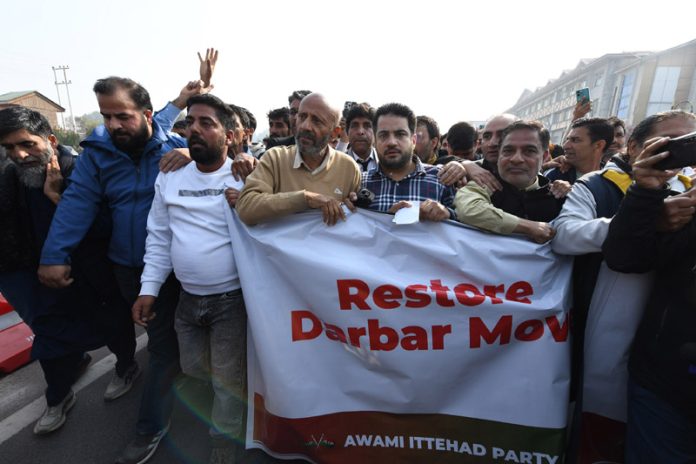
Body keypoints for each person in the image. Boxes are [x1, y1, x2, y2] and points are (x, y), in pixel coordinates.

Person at [37, 74, 209, 464]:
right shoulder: (97, 154)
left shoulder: (177, 148)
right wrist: (54, 254)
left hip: (176, 270)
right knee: (159, 337)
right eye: (106, 116)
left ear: (146, 115)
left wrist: (197, 156)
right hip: (127, 268)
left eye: (123, 117)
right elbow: (77, 202)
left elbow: (224, 169)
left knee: (165, 346)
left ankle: (150, 426)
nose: (113, 125)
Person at [551, 109, 696, 463]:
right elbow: (564, 235)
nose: (678, 152)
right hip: (610, 332)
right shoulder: (598, 185)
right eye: (668, 142)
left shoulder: (687, 192)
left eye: (688, 143)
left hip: (671, 348)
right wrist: (643, 219)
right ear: (633, 147)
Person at [0, 106, 135, 434]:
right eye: (9, 148)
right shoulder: (11, 178)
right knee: (49, 338)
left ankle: (126, 367)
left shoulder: (82, 169)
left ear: (49, 139)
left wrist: (60, 198)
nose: (19, 154)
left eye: (27, 144)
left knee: (114, 327)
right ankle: (58, 397)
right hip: (44, 280)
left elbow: (107, 226)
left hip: (92, 275)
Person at [133, 94, 246, 463]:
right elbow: (160, 236)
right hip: (186, 300)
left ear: (229, 136)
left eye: (207, 123)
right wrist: (149, 288)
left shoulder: (247, 176)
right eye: (191, 122)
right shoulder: (170, 176)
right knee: (195, 369)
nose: (195, 129)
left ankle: (223, 439)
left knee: (228, 381)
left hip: (232, 302)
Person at [602, 111, 696, 462]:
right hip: (668, 386)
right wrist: (645, 195)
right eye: (674, 144)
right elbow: (626, 258)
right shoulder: (685, 204)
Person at [236, 92, 361, 226]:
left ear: (334, 133)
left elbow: (356, 221)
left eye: (317, 121)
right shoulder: (275, 159)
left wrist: (352, 207)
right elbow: (246, 208)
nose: (305, 126)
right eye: (302, 117)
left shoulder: (348, 169)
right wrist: (306, 198)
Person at [454, 120, 566, 243]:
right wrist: (529, 227)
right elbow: (469, 211)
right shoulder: (483, 184)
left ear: (544, 157)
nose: (516, 159)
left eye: (529, 151)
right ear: (499, 155)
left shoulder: (559, 194)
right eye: (508, 151)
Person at [358, 102, 456, 221]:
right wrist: (385, 221)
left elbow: (467, 230)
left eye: (400, 134)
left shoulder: (441, 178)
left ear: (413, 140)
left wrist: (447, 214)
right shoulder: (359, 183)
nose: (392, 142)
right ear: (375, 141)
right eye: (383, 135)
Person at [460, 113, 519, 191]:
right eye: (487, 136)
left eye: (502, 135)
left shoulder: (535, 178)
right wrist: (462, 164)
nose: (492, 143)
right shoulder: (465, 172)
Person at [546, 118, 613, 184]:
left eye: (575, 140)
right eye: (567, 139)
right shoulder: (553, 178)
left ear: (599, 145)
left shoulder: (613, 182)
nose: (565, 146)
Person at [344, 102, 378, 172]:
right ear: (347, 131)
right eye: (355, 125)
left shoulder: (387, 164)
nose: (360, 131)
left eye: (367, 126)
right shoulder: (335, 166)